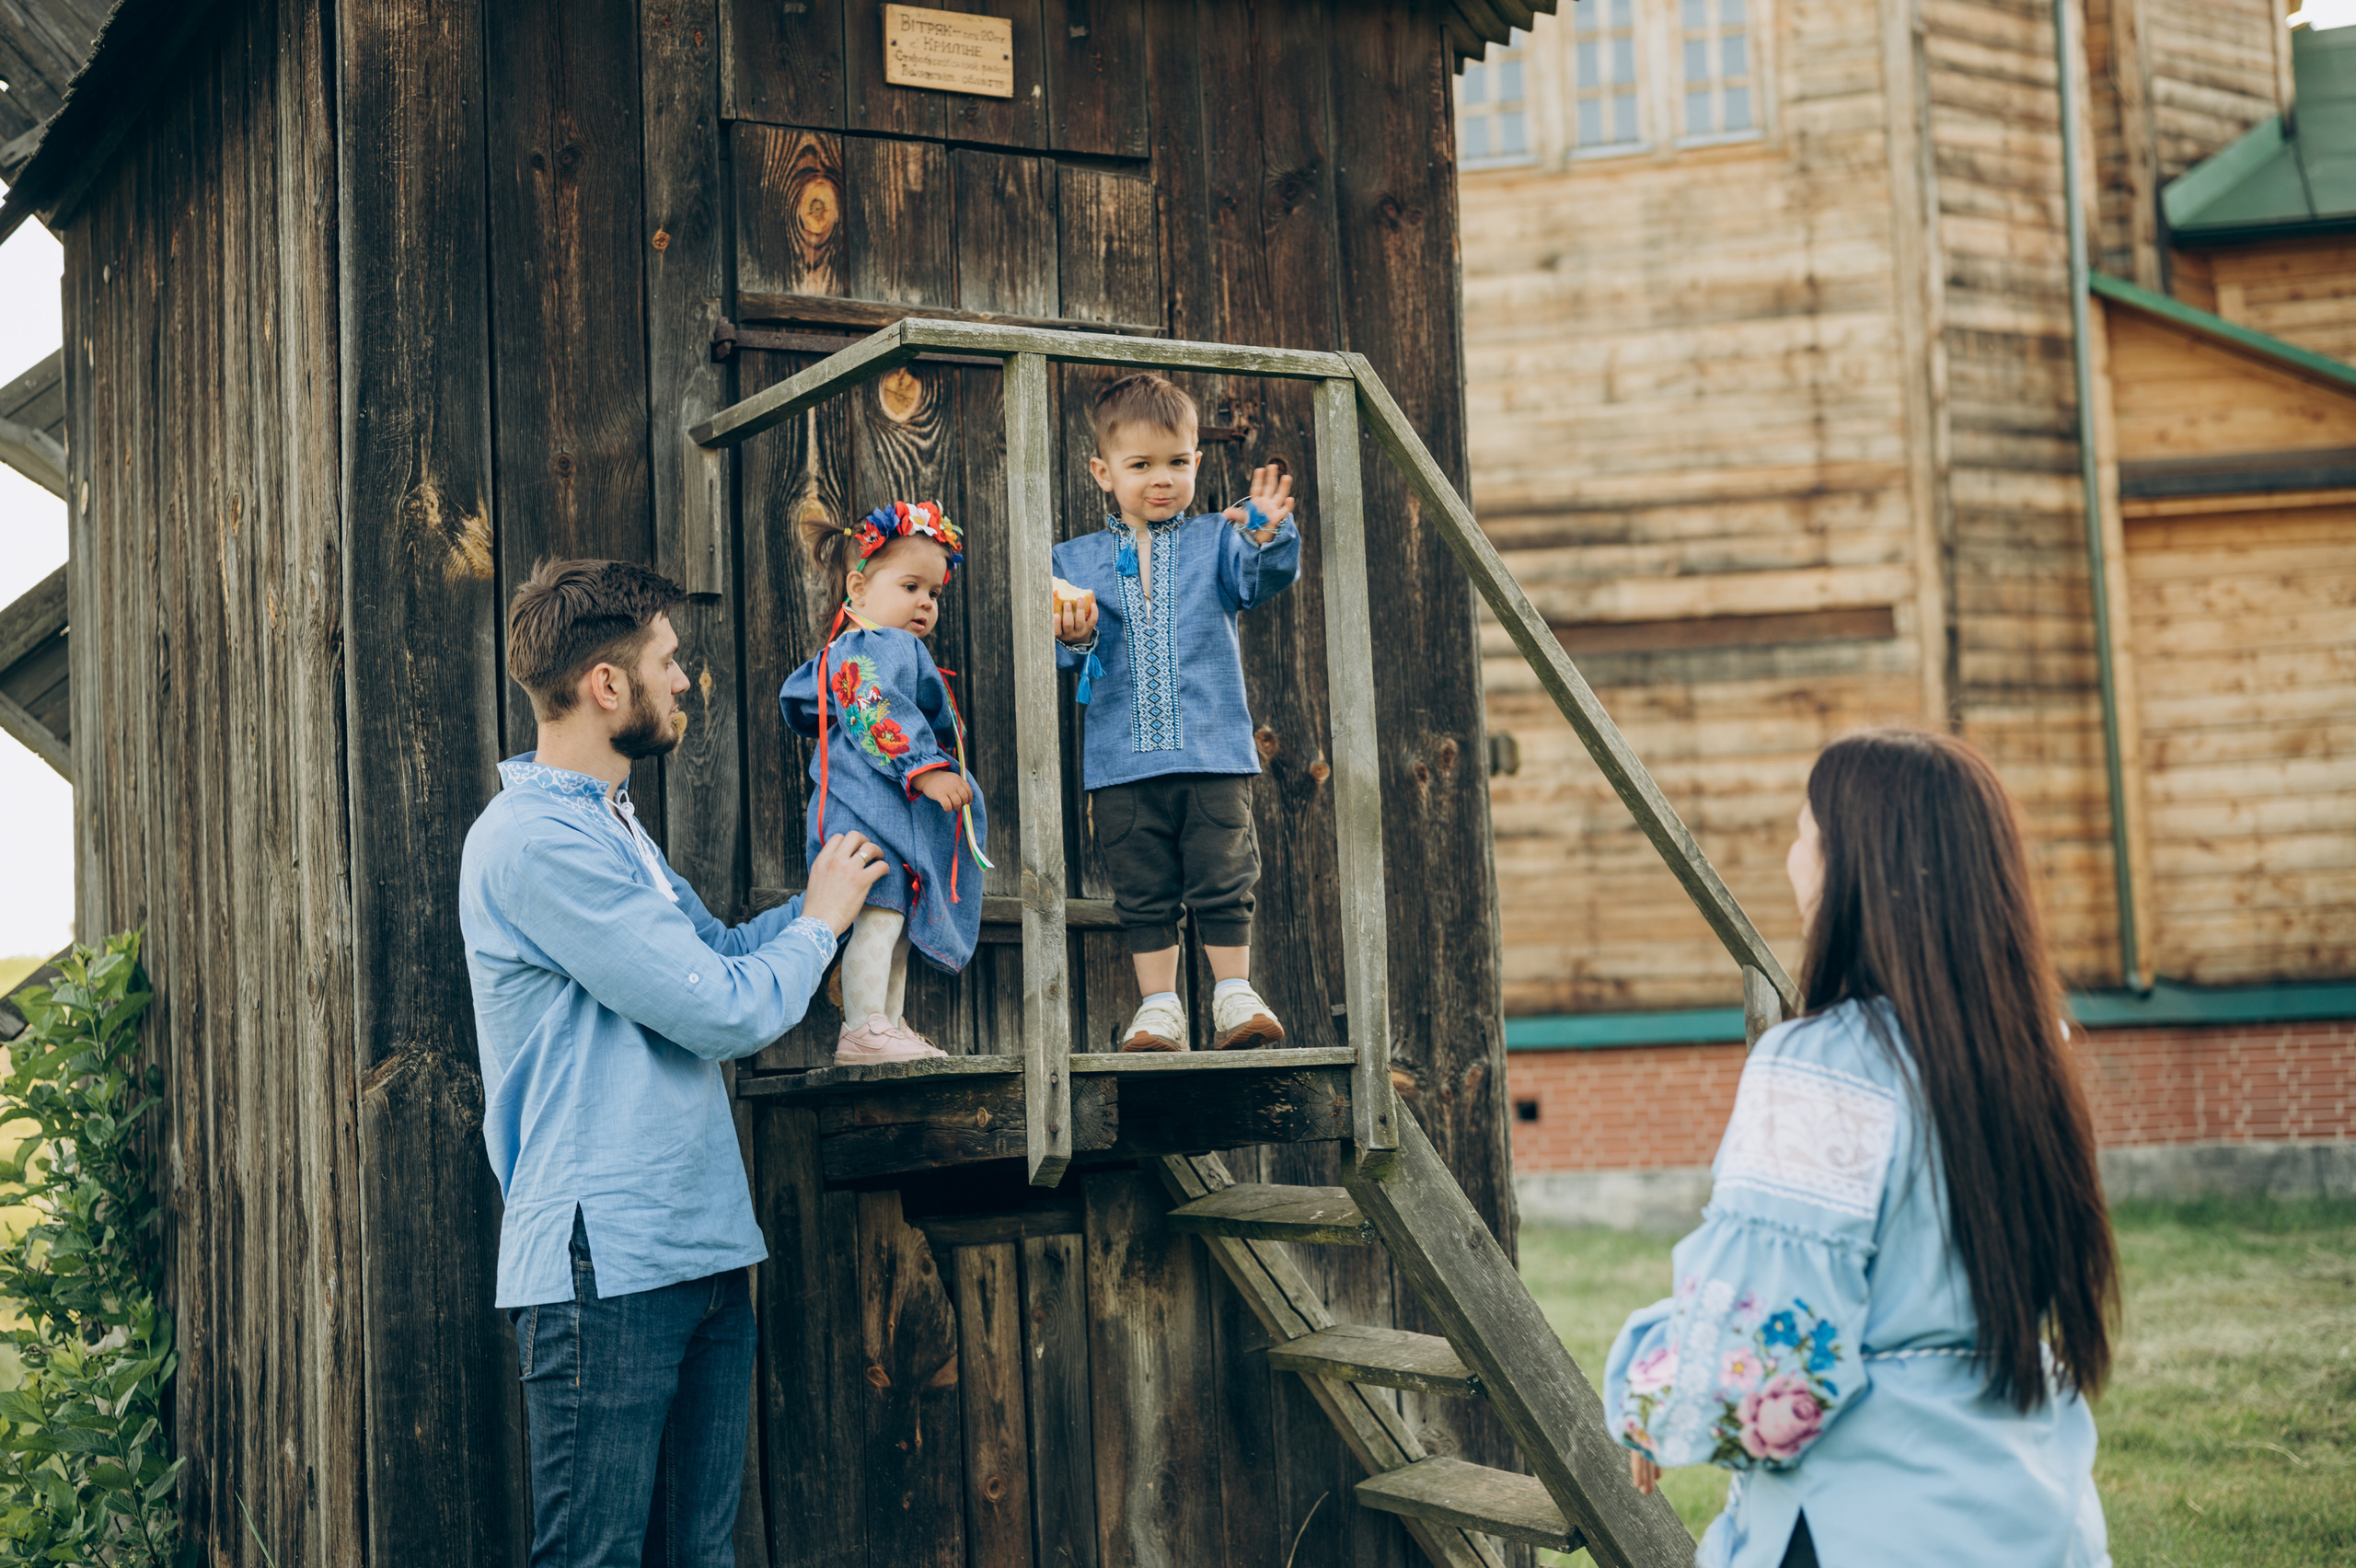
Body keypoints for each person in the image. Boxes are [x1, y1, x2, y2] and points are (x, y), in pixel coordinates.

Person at [460, 558, 890, 1568]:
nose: (685, 679)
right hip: (603, 1262)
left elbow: (723, 955)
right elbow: (719, 1010)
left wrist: (837, 895)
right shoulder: (533, 841)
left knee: (699, 1556)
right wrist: (820, 927)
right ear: (607, 684)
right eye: (669, 660)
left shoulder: (610, 825)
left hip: (699, 1246)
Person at [1603, 727, 2118, 1567]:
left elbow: (1767, 1361)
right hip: (2036, 1515)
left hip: (1863, 1529)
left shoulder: (1821, 1069)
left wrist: (1647, 1383)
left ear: (1855, 869)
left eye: (1804, 835)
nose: (1791, 860)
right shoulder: (2034, 1054)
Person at [1049, 371, 1300, 1052]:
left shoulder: (1218, 539)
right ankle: (1159, 1008)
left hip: (1213, 752)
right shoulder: (1072, 561)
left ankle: (1234, 996)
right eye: (1140, 465)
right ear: (1103, 472)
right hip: (1121, 762)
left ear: (1196, 462)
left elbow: (1260, 580)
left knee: (1225, 877)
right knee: (1143, 893)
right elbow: (1066, 657)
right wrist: (1073, 637)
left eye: (1177, 463)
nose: (1162, 479)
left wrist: (1267, 537)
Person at [780, 500, 990, 1064]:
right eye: (911, 586)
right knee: (879, 913)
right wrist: (925, 770)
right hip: (863, 818)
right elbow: (876, 708)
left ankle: (886, 1024)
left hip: (878, 815)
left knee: (893, 918)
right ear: (859, 588)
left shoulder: (885, 647)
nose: (925, 602)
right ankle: (862, 1026)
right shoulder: (868, 647)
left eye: (935, 593)